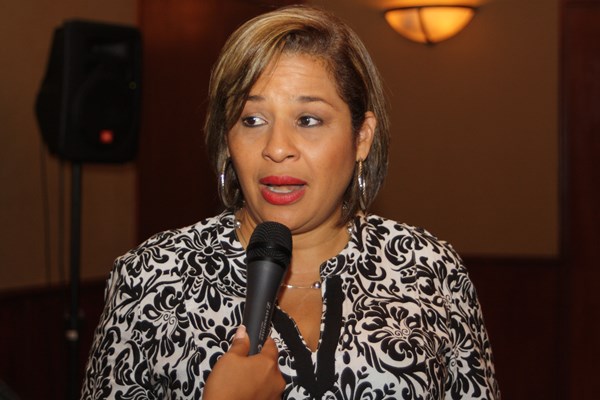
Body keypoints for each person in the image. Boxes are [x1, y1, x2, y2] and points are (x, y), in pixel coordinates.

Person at [81, 5, 500, 400]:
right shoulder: (152, 277)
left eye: (308, 120)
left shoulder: (429, 269)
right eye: (252, 120)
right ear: (227, 139)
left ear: (362, 137)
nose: (277, 148)